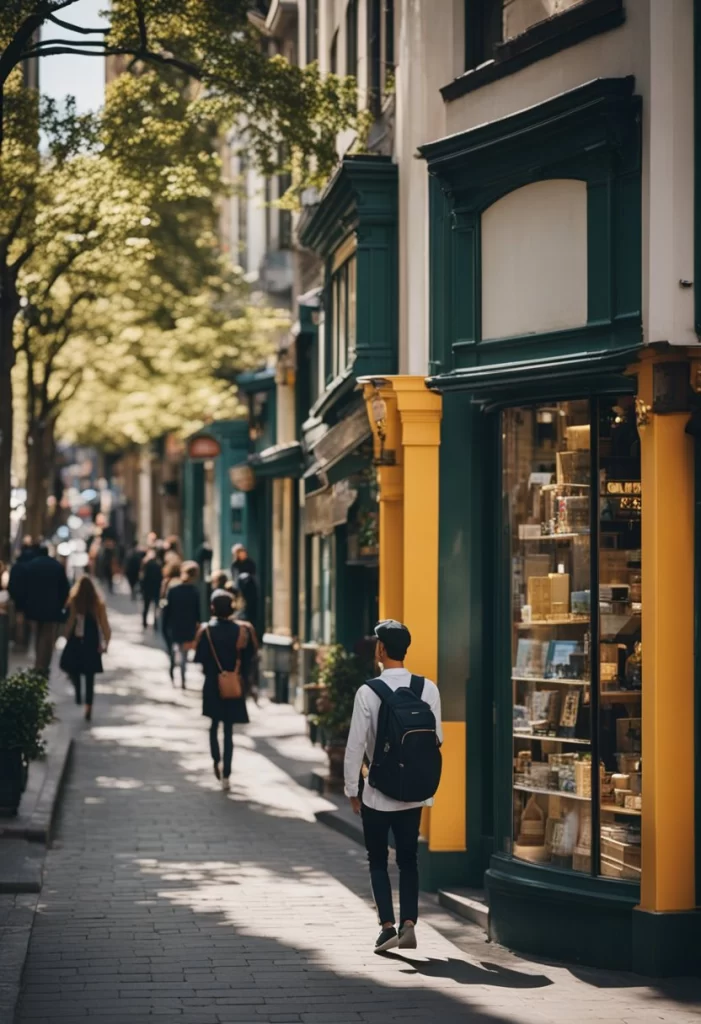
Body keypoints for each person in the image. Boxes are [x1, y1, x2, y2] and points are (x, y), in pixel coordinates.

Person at [344, 619, 443, 954]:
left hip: (377, 791)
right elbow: (437, 739)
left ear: (382, 650)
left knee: (376, 859)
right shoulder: (428, 688)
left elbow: (355, 746)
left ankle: (387, 928)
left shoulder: (368, 691)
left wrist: (351, 790)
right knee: (409, 860)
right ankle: (410, 923)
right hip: (414, 792)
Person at [194, 589, 254, 790]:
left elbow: (200, 658)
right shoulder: (241, 631)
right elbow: (248, 659)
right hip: (234, 684)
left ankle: (215, 759)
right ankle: (227, 772)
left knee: (213, 726)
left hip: (212, 683)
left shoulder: (206, 631)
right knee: (228, 730)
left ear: (212, 608)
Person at [60, 576, 111, 722]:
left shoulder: (74, 600)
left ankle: (78, 693)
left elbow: (69, 621)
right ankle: (89, 706)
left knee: (71, 667)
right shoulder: (97, 603)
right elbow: (105, 625)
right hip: (91, 641)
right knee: (90, 676)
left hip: (76, 640)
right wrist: (106, 643)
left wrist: (65, 634)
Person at [15, 544, 70, 675]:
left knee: (37, 634)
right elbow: (65, 589)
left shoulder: (30, 566)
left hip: (34, 606)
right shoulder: (57, 566)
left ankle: (38, 661)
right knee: (48, 634)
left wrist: (23, 606)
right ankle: (44, 663)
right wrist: (61, 605)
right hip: (52, 607)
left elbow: (24, 588)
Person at [161, 561, 201, 688]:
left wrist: (164, 626)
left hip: (174, 626)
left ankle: (173, 672)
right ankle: (182, 679)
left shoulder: (173, 590)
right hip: (188, 626)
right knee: (184, 654)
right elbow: (197, 613)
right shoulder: (194, 592)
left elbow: (167, 611)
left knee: (175, 651)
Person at [140, 549, 163, 629]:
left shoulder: (146, 565)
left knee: (146, 606)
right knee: (155, 607)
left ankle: (144, 622)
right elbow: (160, 578)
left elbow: (142, 578)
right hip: (156, 589)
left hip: (147, 589)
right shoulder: (158, 565)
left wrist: (142, 589)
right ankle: (155, 623)